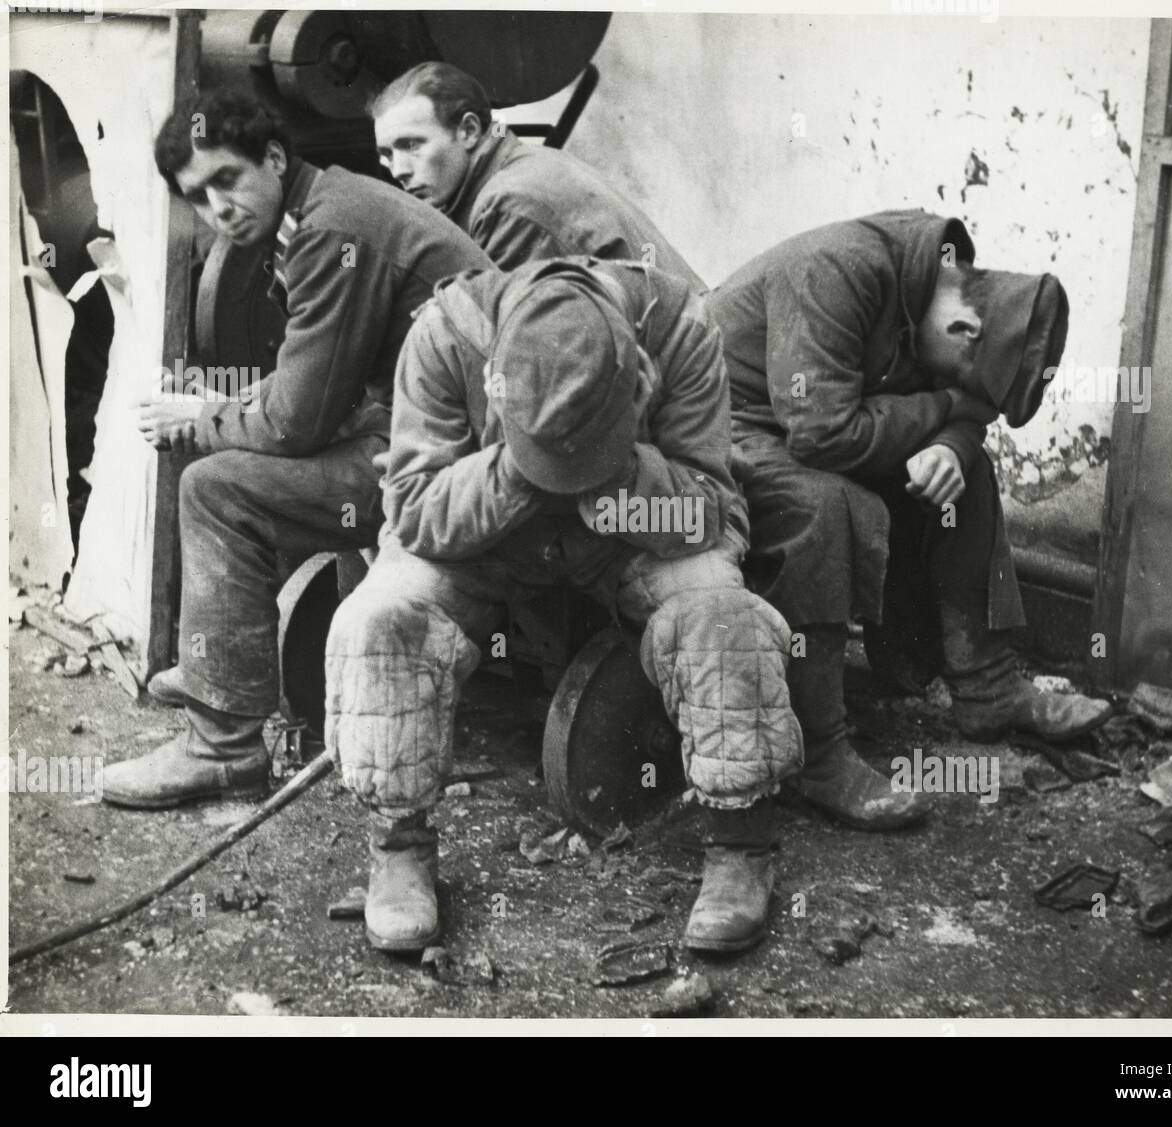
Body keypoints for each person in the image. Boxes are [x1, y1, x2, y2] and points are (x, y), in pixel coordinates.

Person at [325, 257, 801, 954]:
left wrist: (614, 473)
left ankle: (742, 842)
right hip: (485, 533)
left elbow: (708, 510)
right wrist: (518, 469)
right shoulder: (444, 334)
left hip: (627, 530)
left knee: (721, 614)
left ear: (635, 374)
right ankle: (399, 844)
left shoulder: (678, 327)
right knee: (384, 615)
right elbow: (416, 512)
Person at [102, 89, 493, 809]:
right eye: (199, 196)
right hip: (434, 435)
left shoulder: (333, 227)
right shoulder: (324, 211)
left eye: (227, 179)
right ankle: (222, 664)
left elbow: (295, 423)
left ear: (275, 159)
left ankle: (222, 748)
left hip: (461, 468)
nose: (218, 208)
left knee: (216, 488)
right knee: (240, 464)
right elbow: (315, 393)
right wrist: (233, 408)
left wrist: (202, 414)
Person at [707, 210, 1112, 831]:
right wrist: (948, 404)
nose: (954, 386)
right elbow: (821, 434)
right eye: (959, 371)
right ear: (964, 327)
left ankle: (989, 687)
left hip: (816, 424)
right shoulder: (835, 272)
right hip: (730, 426)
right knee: (826, 505)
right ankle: (816, 755)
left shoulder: (935, 288)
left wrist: (951, 441)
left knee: (964, 473)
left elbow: (964, 408)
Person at [370, 62, 705, 287]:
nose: (398, 170)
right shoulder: (518, 166)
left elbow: (515, 344)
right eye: (386, 154)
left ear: (469, 131)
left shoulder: (509, 202)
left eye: (412, 145)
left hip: (687, 379)